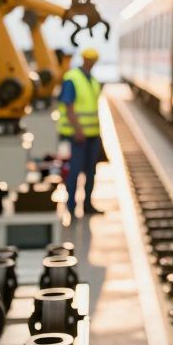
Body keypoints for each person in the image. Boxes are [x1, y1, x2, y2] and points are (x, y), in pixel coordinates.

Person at [57, 47, 104, 217]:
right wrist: (78, 130)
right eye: (88, 59)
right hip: (77, 135)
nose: (90, 63)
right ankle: (70, 206)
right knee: (75, 170)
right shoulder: (72, 78)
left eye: (93, 60)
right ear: (83, 59)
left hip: (92, 134)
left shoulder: (93, 80)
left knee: (91, 171)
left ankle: (87, 205)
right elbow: (68, 107)